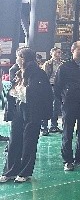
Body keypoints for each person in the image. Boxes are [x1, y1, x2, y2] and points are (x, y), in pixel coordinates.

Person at [0, 48, 52, 183]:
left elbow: (40, 93)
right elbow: (12, 91)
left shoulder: (39, 73)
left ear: (23, 58)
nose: (16, 59)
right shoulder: (17, 72)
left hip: (32, 111)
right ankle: (10, 171)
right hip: (19, 110)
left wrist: (20, 91)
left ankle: (25, 172)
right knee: (14, 140)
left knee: (29, 141)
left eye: (18, 57)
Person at [55, 41, 80, 171]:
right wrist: (64, 100)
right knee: (68, 132)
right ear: (73, 50)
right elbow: (58, 87)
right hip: (69, 105)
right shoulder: (64, 67)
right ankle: (68, 160)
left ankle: (79, 158)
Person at [41, 47, 63, 134]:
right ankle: (44, 127)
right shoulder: (47, 64)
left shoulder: (63, 64)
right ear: (51, 54)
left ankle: (54, 126)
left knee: (56, 106)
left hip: (58, 86)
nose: (58, 54)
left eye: (60, 52)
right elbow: (44, 76)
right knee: (46, 106)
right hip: (49, 86)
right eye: (56, 52)